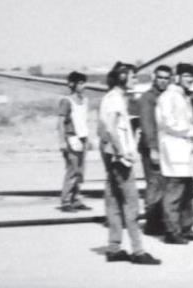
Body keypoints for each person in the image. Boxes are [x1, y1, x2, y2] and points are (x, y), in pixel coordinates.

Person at [98, 62, 160, 265]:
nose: (135, 80)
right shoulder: (115, 100)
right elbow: (111, 130)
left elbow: (104, 131)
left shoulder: (109, 98)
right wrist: (123, 152)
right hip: (121, 160)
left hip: (112, 158)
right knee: (131, 205)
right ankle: (138, 251)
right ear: (123, 77)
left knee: (114, 203)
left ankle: (114, 247)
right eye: (133, 77)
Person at [156, 62, 193, 244]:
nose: (190, 79)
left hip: (186, 152)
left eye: (192, 76)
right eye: (186, 76)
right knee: (174, 193)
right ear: (177, 78)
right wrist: (188, 131)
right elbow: (167, 122)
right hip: (174, 150)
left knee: (187, 192)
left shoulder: (184, 97)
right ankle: (172, 231)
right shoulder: (168, 96)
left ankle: (186, 227)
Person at [137, 64, 172, 235]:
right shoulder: (148, 98)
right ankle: (151, 223)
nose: (164, 81)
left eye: (167, 78)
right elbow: (147, 125)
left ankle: (159, 221)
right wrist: (152, 148)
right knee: (154, 184)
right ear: (154, 78)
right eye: (161, 77)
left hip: (165, 147)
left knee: (164, 185)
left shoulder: (167, 97)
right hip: (152, 147)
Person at [58, 71, 91, 212]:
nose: (83, 86)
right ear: (72, 84)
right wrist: (62, 141)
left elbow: (84, 121)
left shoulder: (85, 101)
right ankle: (65, 201)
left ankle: (76, 199)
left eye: (84, 83)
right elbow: (60, 123)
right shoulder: (66, 101)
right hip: (71, 138)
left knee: (80, 172)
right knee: (72, 170)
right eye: (80, 83)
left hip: (82, 138)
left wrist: (88, 139)